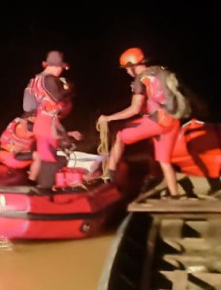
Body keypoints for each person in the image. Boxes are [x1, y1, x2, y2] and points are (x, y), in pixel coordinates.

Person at [96, 47, 183, 198]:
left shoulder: (140, 80)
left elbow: (134, 109)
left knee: (119, 136)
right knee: (165, 161)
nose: (127, 72)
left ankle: (108, 178)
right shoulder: (162, 72)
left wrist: (108, 118)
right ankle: (176, 195)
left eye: (126, 69)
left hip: (158, 121)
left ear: (132, 65)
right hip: (173, 121)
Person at [27, 50, 83, 187]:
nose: (61, 72)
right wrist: (68, 88)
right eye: (61, 68)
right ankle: (44, 192)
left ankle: (44, 187)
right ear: (57, 66)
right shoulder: (50, 79)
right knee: (49, 160)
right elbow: (57, 97)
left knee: (49, 157)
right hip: (47, 125)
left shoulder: (35, 80)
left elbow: (28, 105)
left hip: (42, 122)